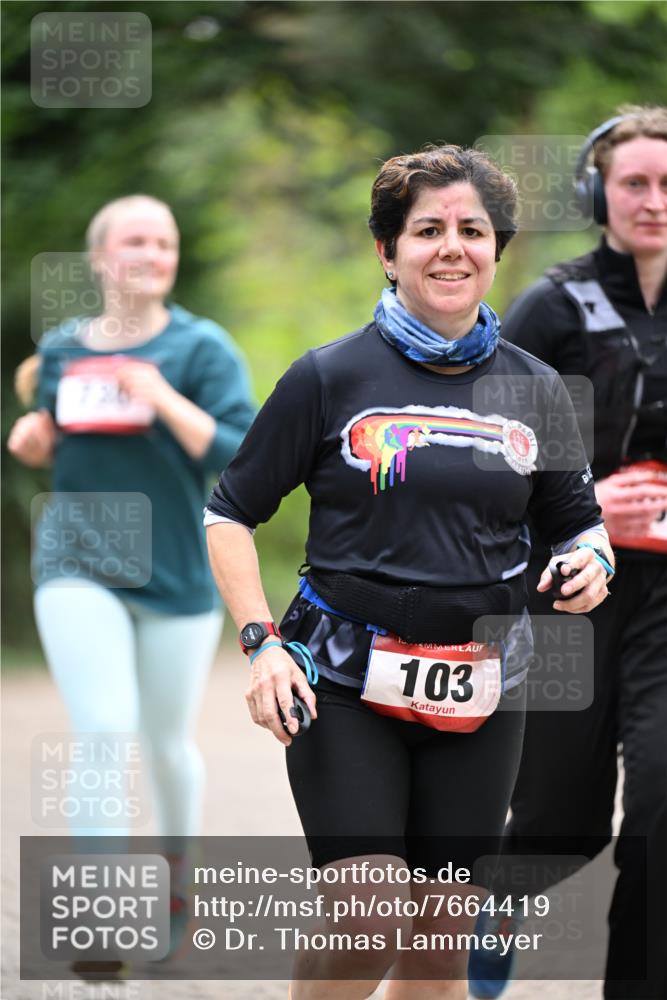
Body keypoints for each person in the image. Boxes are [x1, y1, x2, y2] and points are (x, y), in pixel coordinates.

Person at [205, 145, 614, 1000]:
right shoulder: (327, 375)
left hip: (480, 689)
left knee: (436, 950)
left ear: (496, 249)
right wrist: (262, 646)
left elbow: (576, 524)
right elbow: (228, 513)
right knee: (366, 910)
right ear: (387, 252)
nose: (451, 247)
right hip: (344, 682)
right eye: (426, 230)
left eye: (471, 230)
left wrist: (589, 561)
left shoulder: (538, 390)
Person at [8, 194, 255, 965]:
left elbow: (239, 452)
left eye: (163, 242)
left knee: (165, 743)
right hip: (76, 559)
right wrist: (33, 440)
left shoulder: (201, 349)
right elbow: (57, 438)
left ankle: (177, 879)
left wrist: (163, 399)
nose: (150, 253)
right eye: (134, 241)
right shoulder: (59, 350)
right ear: (100, 258)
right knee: (105, 731)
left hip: (176, 569)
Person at [468, 107, 667, 999]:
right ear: (598, 192)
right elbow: (478, 447)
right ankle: (498, 901)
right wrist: (588, 506)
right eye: (634, 182)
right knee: (558, 820)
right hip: (568, 594)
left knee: (662, 814)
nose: (653, 201)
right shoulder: (552, 305)